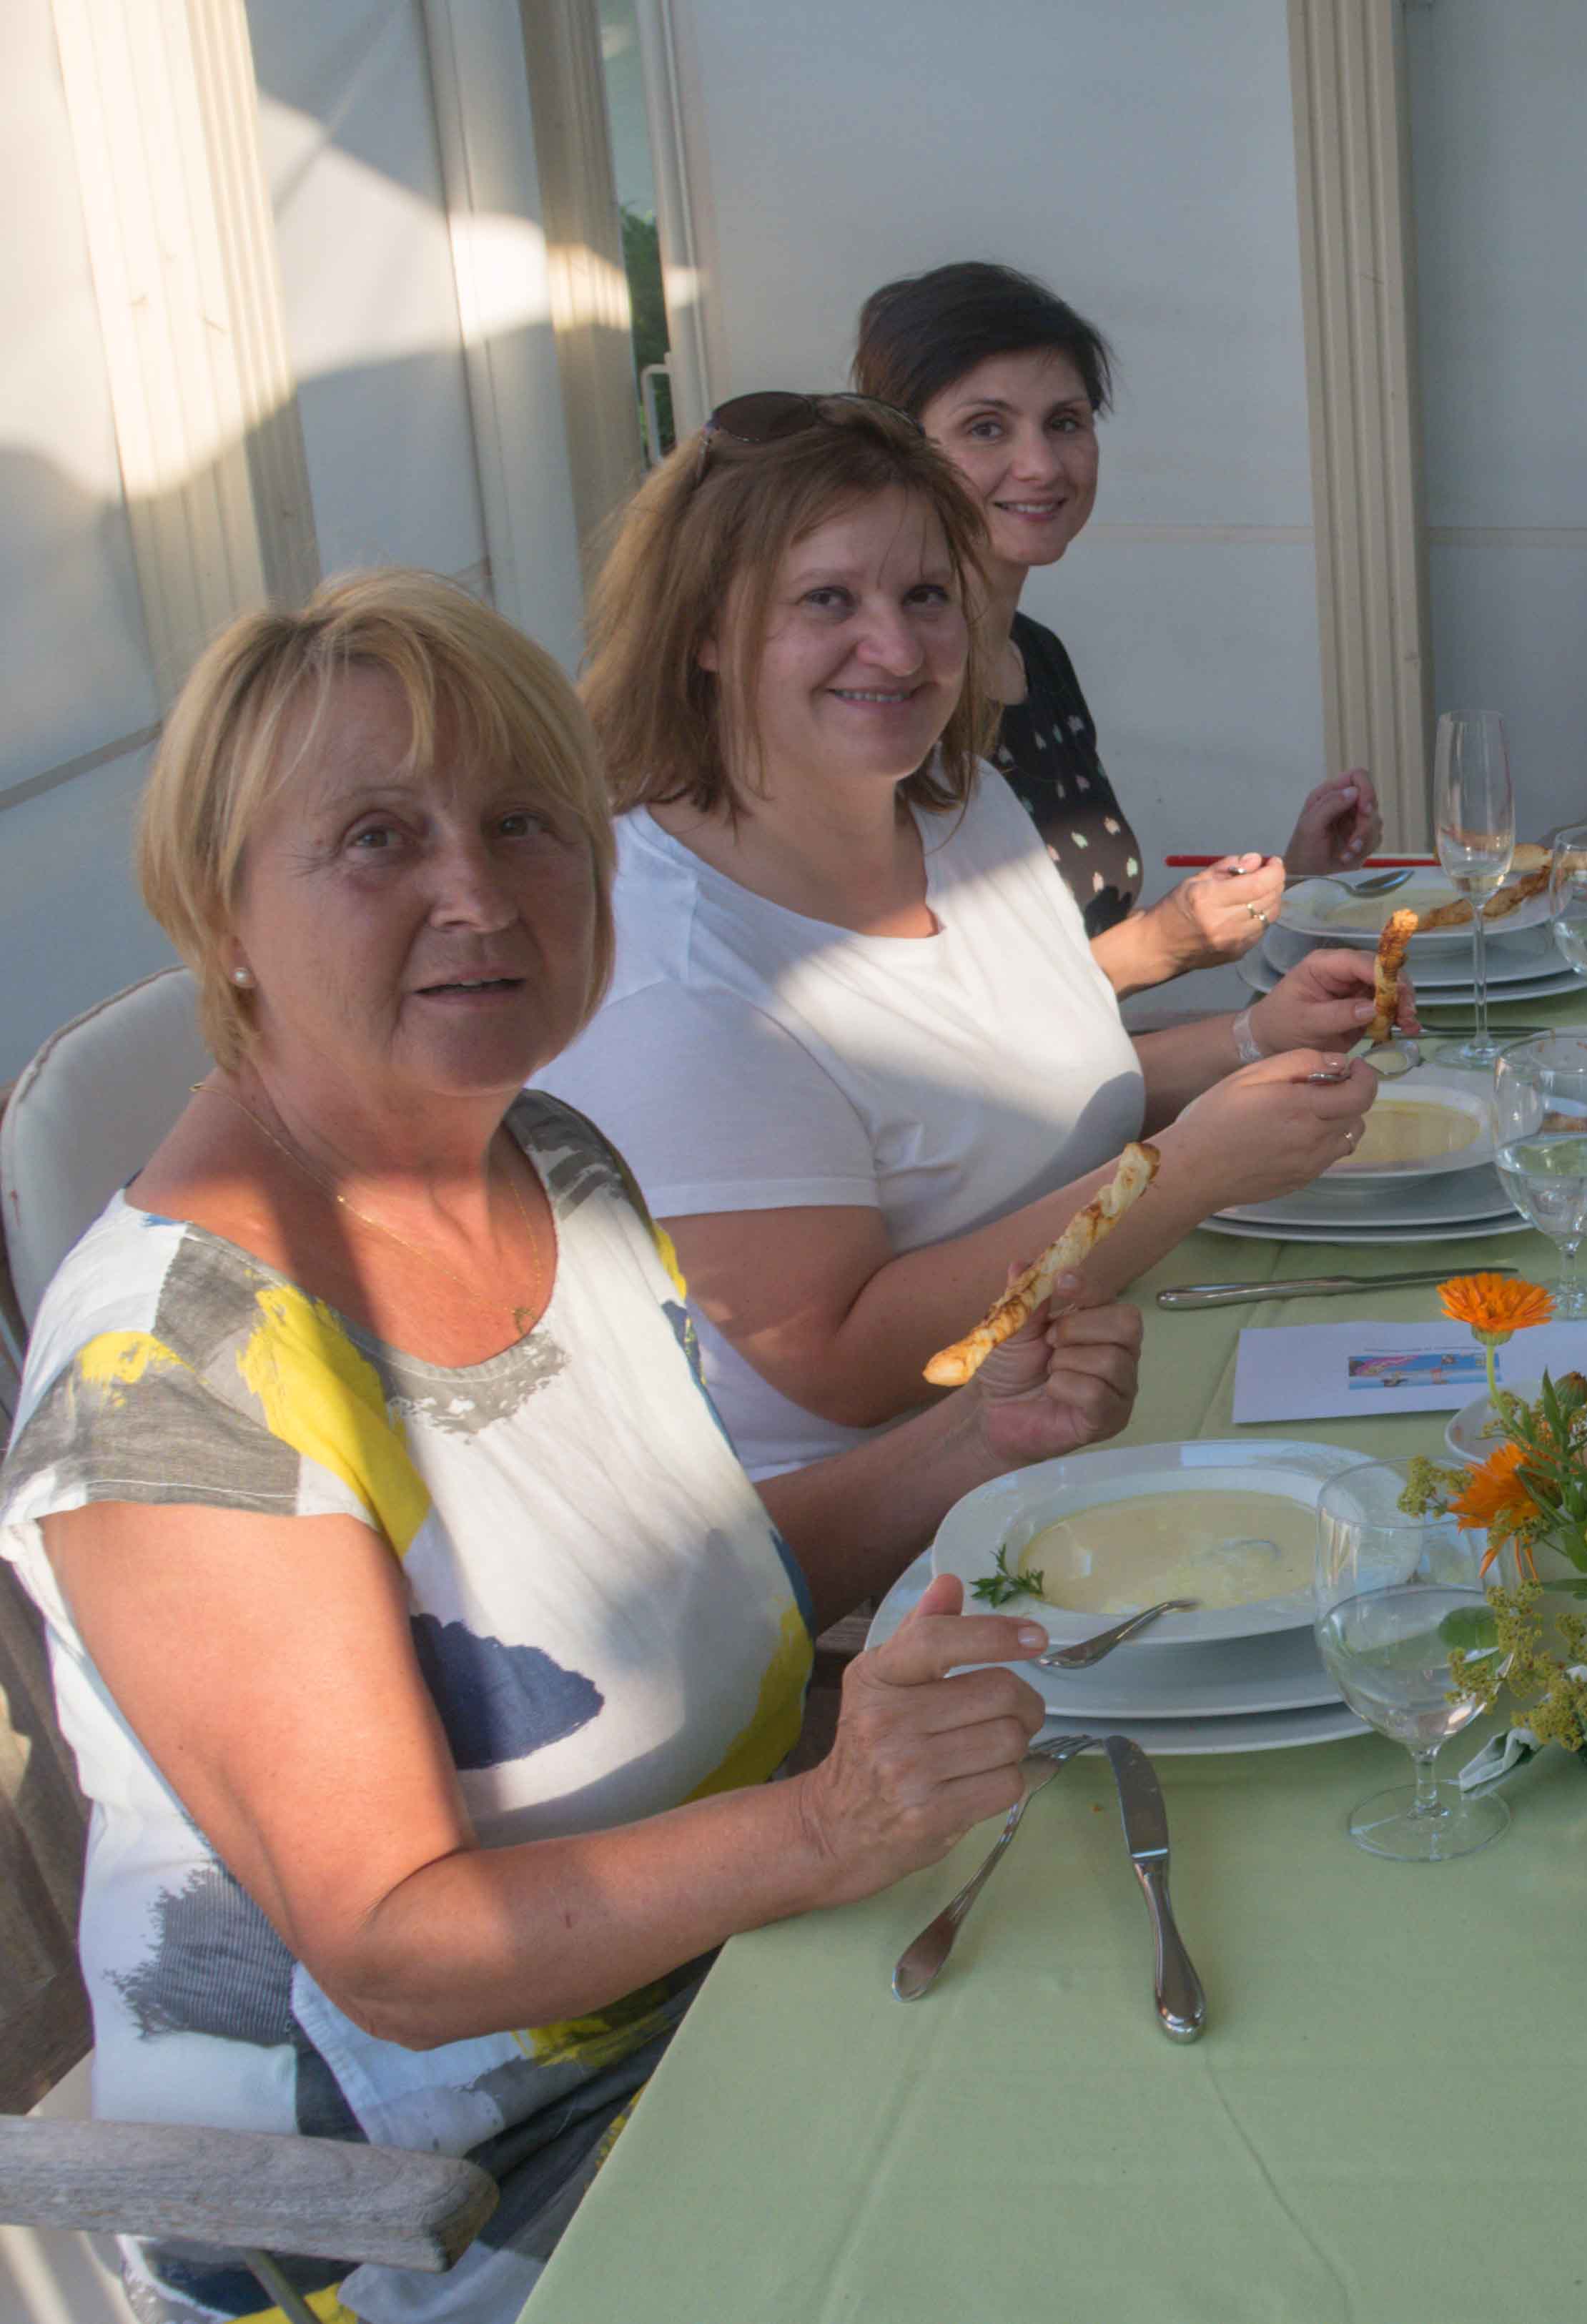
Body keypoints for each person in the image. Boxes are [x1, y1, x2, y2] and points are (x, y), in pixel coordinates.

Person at [0, 571, 1132, 2324]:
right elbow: (398, 1946)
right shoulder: (178, 1385)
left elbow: (683, 1573)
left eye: (526, 820)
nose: (479, 891)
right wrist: (831, 1825)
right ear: (222, 908)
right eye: (376, 839)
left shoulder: (551, 1157)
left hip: (739, 1977)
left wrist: (972, 1440)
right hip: (446, 2196)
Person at [539, 392, 1394, 1480]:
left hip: (1109, 1384)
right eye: (827, 598)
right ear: (705, 630)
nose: (893, 646)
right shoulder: (672, 967)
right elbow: (838, 1359)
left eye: (926, 593)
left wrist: (1249, 1045)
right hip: (899, 1540)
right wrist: (1180, 1173)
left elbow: (1005, 1099)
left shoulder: (960, 806)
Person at [853, 260, 1379, 994]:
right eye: (986, 427)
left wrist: (1291, 886)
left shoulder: (1038, 656)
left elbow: (1069, 989)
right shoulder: (884, 686)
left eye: (1064, 423)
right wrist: (1168, 942)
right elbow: (944, 1019)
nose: (1039, 465)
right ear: (899, 450)